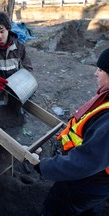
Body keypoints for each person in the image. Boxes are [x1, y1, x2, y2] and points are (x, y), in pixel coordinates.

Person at [34, 48, 109, 215]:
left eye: (101, 70)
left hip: (86, 182)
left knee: (57, 207)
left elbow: (86, 160)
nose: (96, 73)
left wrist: (45, 166)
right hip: (96, 182)